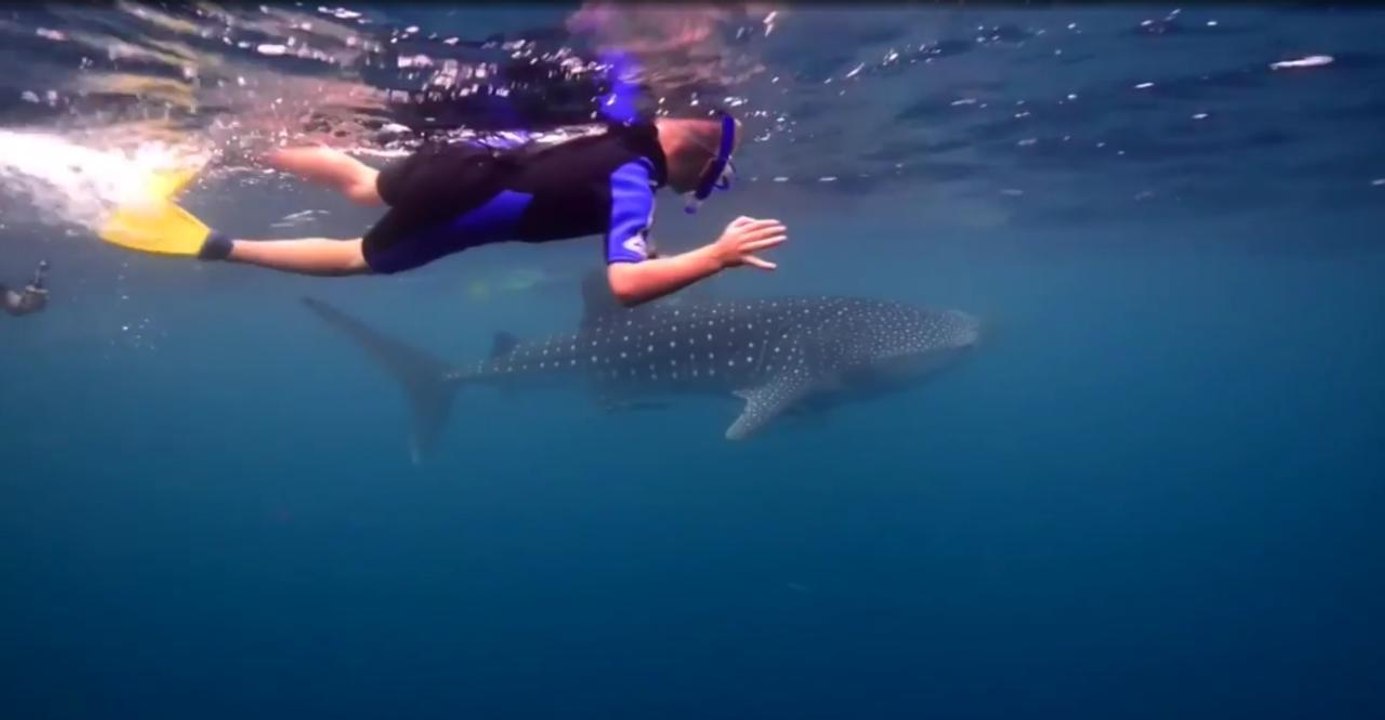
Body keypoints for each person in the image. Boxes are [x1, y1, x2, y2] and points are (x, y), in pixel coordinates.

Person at [195, 111, 786, 307]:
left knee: (364, 182)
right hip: (465, 199)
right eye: (713, 178)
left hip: (458, 155)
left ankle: (231, 148)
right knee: (357, 258)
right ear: (696, 158)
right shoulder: (636, 180)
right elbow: (626, 285)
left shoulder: (623, 127)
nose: (699, 190)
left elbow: (587, 193)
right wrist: (717, 256)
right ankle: (219, 246)